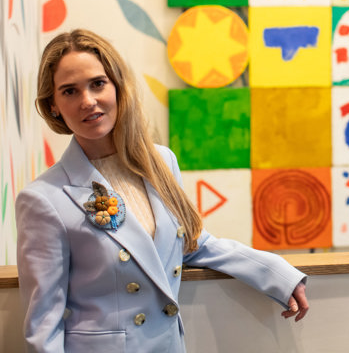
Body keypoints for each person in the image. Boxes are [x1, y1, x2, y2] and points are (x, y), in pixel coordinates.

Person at [16, 29, 309, 352]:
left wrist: (276, 274)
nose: (88, 101)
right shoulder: (43, 199)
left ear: (117, 86)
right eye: (69, 91)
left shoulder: (161, 162)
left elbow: (189, 245)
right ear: (54, 105)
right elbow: (44, 323)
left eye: (98, 84)